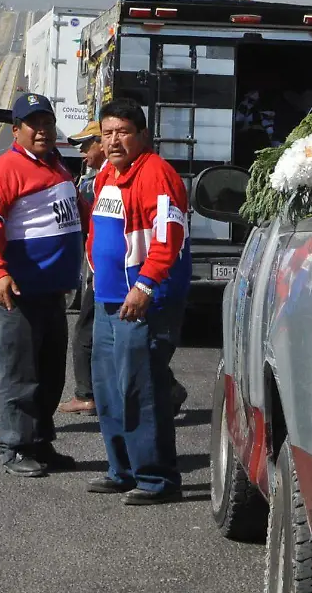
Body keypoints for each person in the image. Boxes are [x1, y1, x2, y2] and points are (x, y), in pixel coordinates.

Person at [0, 92, 85, 478]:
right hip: (17, 295)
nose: (42, 130)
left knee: (51, 374)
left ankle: (39, 440)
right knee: (20, 374)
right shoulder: (5, 169)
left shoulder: (58, 166)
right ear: (16, 130)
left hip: (52, 293)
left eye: (47, 122)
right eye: (33, 124)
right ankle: (15, 446)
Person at [86, 98, 191, 504]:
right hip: (109, 301)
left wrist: (145, 286)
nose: (113, 141)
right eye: (107, 133)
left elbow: (169, 239)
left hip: (143, 303)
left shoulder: (158, 176)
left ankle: (157, 480)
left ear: (142, 135)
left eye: (123, 132)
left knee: (140, 390)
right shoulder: (107, 175)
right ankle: (123, 470)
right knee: (108, 390)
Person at [58, 121, 106, 418]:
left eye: (87, 144)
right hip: (100, 267)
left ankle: (85, 395)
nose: (82, 151)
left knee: (85, 332)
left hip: (106, 272)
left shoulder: (95, 183)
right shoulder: (98, 178)